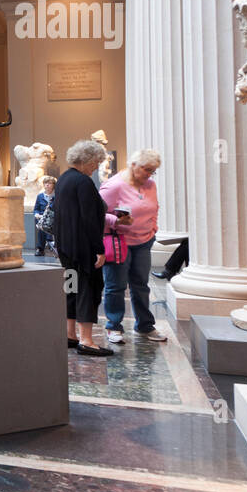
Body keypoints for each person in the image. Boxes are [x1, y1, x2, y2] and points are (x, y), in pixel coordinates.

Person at [99, 148, 167, 343]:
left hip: (144, 242)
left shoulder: (150, 185)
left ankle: (145, 326)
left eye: (153, 171)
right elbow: (95, 213)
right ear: (133, 165)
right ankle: (113, 326)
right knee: (116, 286)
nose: (149, 174)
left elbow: (154, 207)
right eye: (147, 169)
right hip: (120, 243)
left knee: (141, 285)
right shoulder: (113, 186)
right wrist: (116, 221)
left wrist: (153, 227)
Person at [54, 140, 114, 357]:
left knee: (71, 288)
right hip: (84, 249)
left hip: (66, 249)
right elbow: (89, 219)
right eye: (96, 162)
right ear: (87, 160)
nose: (96, 167)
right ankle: (87, 341)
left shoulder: (63, 179)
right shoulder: (83, 182)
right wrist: (99, 249)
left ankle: (70, 334)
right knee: (88, 289)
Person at [32, 175, 56, 255]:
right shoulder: (40, 196)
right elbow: (36, 209)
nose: (47, 185)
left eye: (49, 183)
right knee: (41, 223)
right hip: (42, 217)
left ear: (53, 185)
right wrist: (36, 214)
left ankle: (50, 244)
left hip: (53, 217)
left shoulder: (56, 196)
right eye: (45, 183)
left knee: (47, 223)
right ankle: (41, 248)